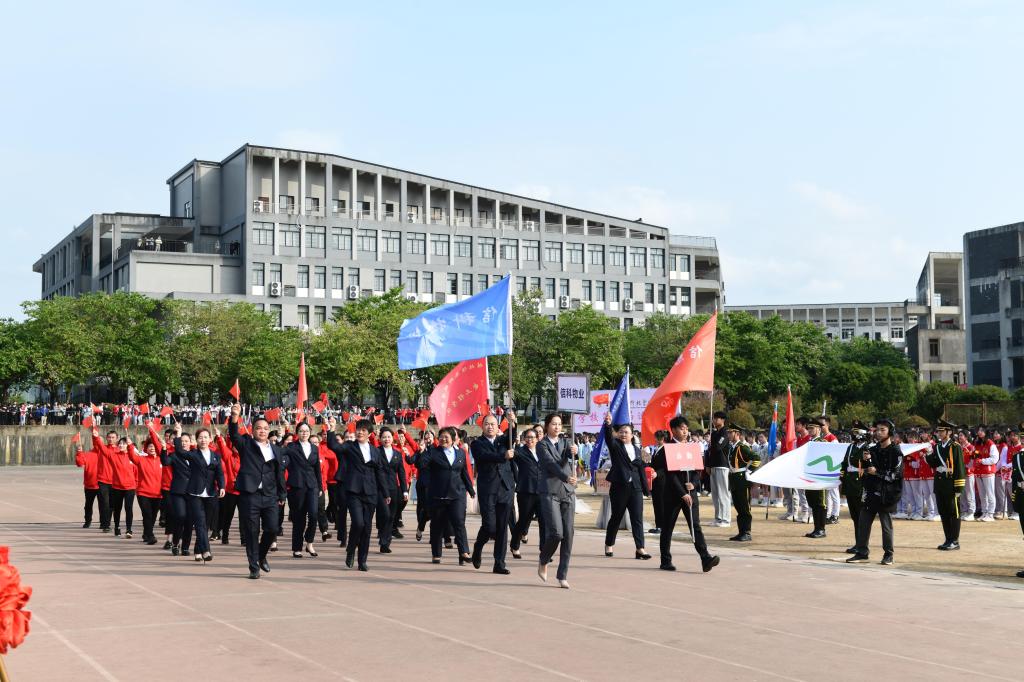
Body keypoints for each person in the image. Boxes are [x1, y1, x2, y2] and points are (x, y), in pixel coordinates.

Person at [651, 415, 719, 572]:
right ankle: (665, 560)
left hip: (691, 493)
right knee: (668, 527)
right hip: (673, 494)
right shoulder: (667, 449)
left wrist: (693, 484)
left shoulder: (692, 447)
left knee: (695, 525)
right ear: (673, 430)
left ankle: (705, 558)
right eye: (682, 429)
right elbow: (669, 474)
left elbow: (697, 471)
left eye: (687, 429)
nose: (685, 431)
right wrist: (682, 492)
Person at [229, 403, 287, 580]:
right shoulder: (246, 443)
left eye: (265, 428)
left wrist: (282, 493)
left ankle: (261, 556)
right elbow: (233, 434)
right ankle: (254, 566)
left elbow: (279, 473)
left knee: (272, 529)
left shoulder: (276, 449)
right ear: (253, 430)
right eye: (259, 428)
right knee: (252, 531)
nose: (262, 431)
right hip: (250, 494)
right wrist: (234, 417)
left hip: (270, 495)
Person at [326, 418, 390, 571]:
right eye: (358, 429)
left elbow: (380, 472)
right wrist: (331, 430)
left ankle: (362, 560)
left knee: (367, 528)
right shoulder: (349, 446)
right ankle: (350, 549)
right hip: (354, 491)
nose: (360, 432)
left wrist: (385, 493)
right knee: (358, 523)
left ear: (370, 433)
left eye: (363, 430)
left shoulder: (375, 450)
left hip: (371, 492)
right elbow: (334, 446)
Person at [847, 419, 903, 566]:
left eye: (882, 429)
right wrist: (865, 462)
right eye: (877, 429)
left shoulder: (896, 451)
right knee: (863, 523)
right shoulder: (872, 449)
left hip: (887, 494)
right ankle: (861, 552)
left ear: (890, 432)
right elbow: (864, 470)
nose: (879, 432)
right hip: (871, 492)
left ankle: (888, 554)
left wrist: (876, 472)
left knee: (886, 526)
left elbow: (895, 475)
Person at [470, 413, 517, 573]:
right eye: (487, 424)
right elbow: (484, 457)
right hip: (488, 490)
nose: (490, 426)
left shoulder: (502, 440)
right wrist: (502, 455)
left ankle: (499, 563)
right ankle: (478, 547)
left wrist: (512, 423)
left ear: (498, 427)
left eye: (493, 424)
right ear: (482, 427)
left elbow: (513, 436)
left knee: (502, 528)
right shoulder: (477, 444)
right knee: (490, 527)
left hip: (505, 488)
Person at [601, 412, 652, 559]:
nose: (623, 434)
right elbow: (609, 438)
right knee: (616, 517)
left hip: (635, 488)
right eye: (621, 432)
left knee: (637, 518)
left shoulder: (637, 450)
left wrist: (646, 488)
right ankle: (609, 544)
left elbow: (641, 469)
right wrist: (608, 424)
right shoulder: (615, 446)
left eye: (626, 432)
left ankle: (640, 548)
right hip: (619, 486)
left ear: (632, 434)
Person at [424, 426, 475, 565]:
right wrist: (425, 451)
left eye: (446, 437)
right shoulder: (433, 452)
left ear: (453, 439)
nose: (443, 439)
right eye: (441, 436)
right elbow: (421, 464)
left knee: (459, 522)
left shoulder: (461, 453)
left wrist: (471, 490)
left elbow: (464, 472)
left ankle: (464, 551)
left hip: (456, 494)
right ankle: (436, 553)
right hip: (438, 495)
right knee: (437, 525)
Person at [537, 413, 577, 588]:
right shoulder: (541, 445)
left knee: (568, 534)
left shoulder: (565, 442)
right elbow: (550, 465)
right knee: (557, 533)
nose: (557, 427)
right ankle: (544, 559)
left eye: (559, 424)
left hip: (567, 493)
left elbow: (568, 455)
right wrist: (565, 477)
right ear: (547, 426)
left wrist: (574, 451)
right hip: (550, 492)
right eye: (553, 424)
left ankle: (563, 574)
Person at [184, 426, 226, 563]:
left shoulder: (216, 456)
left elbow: (219, 473)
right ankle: (206, 550)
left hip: (210, 493)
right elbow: (179, 451)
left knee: (205, 524)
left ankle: (197, 550)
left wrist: (222, 486)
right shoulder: (193, 454)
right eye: (200, 437)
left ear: (210, 439)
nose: (203, 440)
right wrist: (179, 435)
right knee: (200, 522)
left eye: (205, 437)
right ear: (196, 440)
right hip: (195, 493)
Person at [285, 421, 323, 558]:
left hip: (312, 486)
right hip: (297, 486)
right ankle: (297, 547)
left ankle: (309, 542)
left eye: (306, 431)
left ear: (310, 432)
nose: (304, 433)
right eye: (301, 431)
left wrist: (320, 486)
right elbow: (281, 455)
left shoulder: (314, 448)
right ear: (297, 433)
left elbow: (317, 469)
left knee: (313, 515)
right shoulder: (291, 447)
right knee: (299, 518)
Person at [927, 419, 965, 551]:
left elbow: (960, 468)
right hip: (940, 484)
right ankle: (948, 539)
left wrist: (959, 487)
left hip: (951, 484)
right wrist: (928, 454)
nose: (939, 433)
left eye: (941, 431)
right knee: (943, 512)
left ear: (948, 432)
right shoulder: (937, 447)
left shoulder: (955, 447)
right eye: (938, 431)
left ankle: (954, 540)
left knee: (953, 513)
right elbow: (933, 464)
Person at [510, 428, 544, 560]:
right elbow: (511, 449)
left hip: (542, 491)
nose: (530, 440)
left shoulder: (542, 451)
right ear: (524, 439)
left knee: (544, 522)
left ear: (537, 439)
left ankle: (544, 550)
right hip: (526, 491)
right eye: (527, 437)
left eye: (532, 437)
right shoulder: (520, 452)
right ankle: (515, 545)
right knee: (524, 521)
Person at [164, 423, 195, 556]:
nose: (184, 444)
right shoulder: (174, 455)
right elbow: (165, 462)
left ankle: (185, 547)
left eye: (186, 441)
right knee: (181, 516)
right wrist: (164, 449)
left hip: (193, 492)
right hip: (178, 492)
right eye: (181, 441)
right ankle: (176, 543)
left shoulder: (195, 455)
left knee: (189, 520)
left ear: (190, 443)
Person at [375, 427, 408, 554]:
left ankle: (385, 542)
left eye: (388, 437)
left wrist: (404, 490)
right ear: (380, 439)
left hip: (394, 488)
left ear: (392, 438)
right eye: (384, 437)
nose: (386, 439)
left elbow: (401, 473)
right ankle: (383, 537)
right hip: (379, 488)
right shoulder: (376, 452)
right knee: (385, 514)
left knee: (391, 516)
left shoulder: (397, 454)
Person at [725, 424, 760, 542]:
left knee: (744, 507)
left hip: (742, 480)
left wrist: (749, 471)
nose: (729, 434)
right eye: (728, 432)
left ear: (737, 434)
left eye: (731, 432)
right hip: (734, 479)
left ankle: (747, 532)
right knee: (738, 506)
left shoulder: (742, 447)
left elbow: (756, 458)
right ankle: (741, 532)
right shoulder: (732, 447)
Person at [131, 424, 165, 546]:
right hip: (143, 492)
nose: (152, 448)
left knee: (153, 516)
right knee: (147, 514)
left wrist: (153, 431)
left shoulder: (163, 460)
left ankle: (146, 533)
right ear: (146, 448)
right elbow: (132, 456)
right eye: (150, 446)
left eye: (154, 446)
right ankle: (150, 536)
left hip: (158, 494)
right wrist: (130, 446)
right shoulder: (141, 459)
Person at [840, 421, 871, 554]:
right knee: (854, 516)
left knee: (861, 516)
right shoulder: (851, 447)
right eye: (854, 432)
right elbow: (844, 463)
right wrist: (843, 476)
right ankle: (858, 543)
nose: (854, 435)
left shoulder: (868, 448)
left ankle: (862, 544)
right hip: (850, 482)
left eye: (857, 432)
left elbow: (869, 466)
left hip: (860, 483)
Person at [802, 418, 828, 539]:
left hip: (819, 477)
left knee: (820, 503)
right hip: (810, 476)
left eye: (812, 428)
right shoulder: (809, 442)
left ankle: (821, 529)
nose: (810, 430)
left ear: (818, 429)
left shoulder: (822, 442)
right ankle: (816, 528)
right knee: (812, 502)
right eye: (809, 428)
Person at [91, 429, 119, 533]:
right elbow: (96, 443)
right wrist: (95, 436)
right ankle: (106, 524)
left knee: (111, 504)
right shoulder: (102, 448)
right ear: (106, 438)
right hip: (103, 480)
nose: (111, 439)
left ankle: (105, 522)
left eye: (113, 438)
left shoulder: (119, 450)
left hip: (115, 481)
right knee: (104, 503)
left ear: (117, 439)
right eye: (109, 437)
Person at [705, 411, 730, 527]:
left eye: (716, 419)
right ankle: (718, 517)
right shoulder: (714, 434)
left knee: (723, 493)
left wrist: (712, 444)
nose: (714, 421)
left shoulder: (725, 433)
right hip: (713, 465)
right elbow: (710, 451)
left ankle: (726, 519)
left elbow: (718, 447)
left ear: (722, 420)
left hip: (722, 465)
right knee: (715, 494)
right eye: (714, 419)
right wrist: (708, 465)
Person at [973, 427, 999, 522]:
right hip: (978, 472)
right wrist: (974, 457)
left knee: (990, 493)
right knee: (982, 494)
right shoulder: (978, 444)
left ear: (985, 432)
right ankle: (984, 512)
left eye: (981, 431)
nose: (979, 432)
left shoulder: (990, 444)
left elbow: (995, 459)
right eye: (978, 430)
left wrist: (982, 461)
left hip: (988, 472)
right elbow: (975, 455)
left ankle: (991, 514)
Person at [74, 438, 99, 528]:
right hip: (90, 484)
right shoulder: (89, 454)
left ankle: (104, 522)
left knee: (104, 505)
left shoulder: (106, 454)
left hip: (103, 484)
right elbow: (80, 463)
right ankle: (88, 520)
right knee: (88, 504)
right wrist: (79, 453)